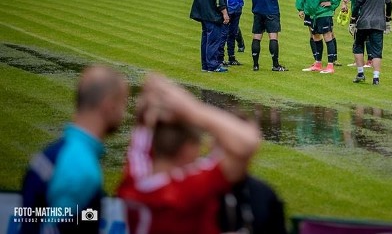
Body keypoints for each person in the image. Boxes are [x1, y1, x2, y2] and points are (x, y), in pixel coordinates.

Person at [117, 73, 262, 234]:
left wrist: (151, 106)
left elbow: (142, 131)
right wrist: (193, 110)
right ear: (187, 148)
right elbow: (247, 141)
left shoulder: (134, 178)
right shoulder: (188, 188)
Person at [20, 65, 129, 234]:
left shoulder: (54, 153)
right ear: (109, 106)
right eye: (123, 104)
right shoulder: (80, 168)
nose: (124, 114)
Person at [296, 0, 345, 74]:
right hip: (310, 12)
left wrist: (332, 3)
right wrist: (300, 8)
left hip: (324, 12)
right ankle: (317, 64)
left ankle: (330, 66)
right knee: (315, 36)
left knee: (327, 36)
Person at [351, 0, 392, 86]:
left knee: (358, 46)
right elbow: (390, 4)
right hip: (379, 23)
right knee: (376, 51)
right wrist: (388, 19)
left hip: (364, 22)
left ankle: (360, 73)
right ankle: (376, 78)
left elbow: (357, 4)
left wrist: (353, 20)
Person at [190, 0, 230, 73]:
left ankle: (205, 65)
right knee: (213, 40)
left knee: (205, 40)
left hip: (203, 14)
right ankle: (212, 65)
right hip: (213, 16)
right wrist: (225, 14)